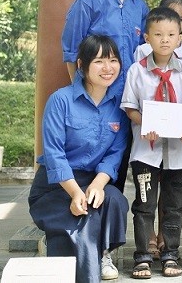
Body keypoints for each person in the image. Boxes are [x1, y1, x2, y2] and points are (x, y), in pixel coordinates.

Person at [61, 0, 149, 278]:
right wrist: (79, 95)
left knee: (112, 177)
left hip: (125, 105)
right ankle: (83, 244)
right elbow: (71, 51)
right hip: (92, 103)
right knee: (85, 172)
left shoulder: (141, 4)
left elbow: (149, 49)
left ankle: (106, 250)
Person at [29, 35, 130, 283]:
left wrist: (97, 185)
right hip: (56, 187)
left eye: (113, 60)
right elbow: (54, 154)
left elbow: (114, 154)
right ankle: (80, 261)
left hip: (92, 180)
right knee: (83, 222)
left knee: (115, 200)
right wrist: (75, 193)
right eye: (99, 61)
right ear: (82, 65)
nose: (108, 68)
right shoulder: (60, 101)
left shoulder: (119, 107)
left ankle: (102, 252)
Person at [121, 7, 182, 278]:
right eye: (158, 34)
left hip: (179, 152)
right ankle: (143, 255)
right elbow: (130, 108)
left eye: (170, 34)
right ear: (147, 38)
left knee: (174, 205)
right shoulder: (136, 71)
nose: (164, 40)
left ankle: (170, 255)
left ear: (180, 38)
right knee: (144, 203)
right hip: (146, 151)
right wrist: (145, 123)